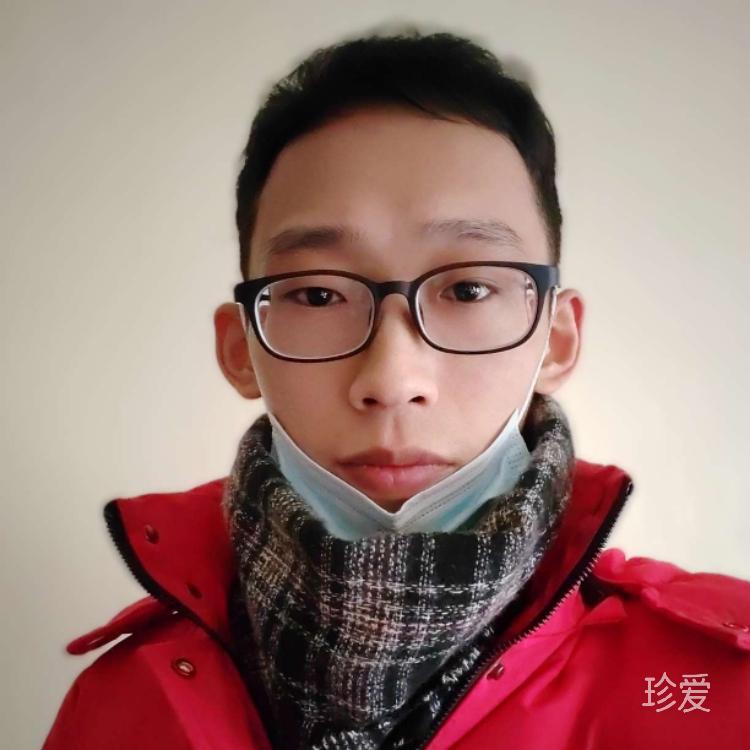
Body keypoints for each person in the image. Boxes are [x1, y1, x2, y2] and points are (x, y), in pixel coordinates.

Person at [43, 27, 750, 750]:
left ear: (558, 338)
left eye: (468, 289)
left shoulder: (722, 689)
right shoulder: (117, 706)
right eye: (318, 295)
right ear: (240, 348)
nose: (391, 380)